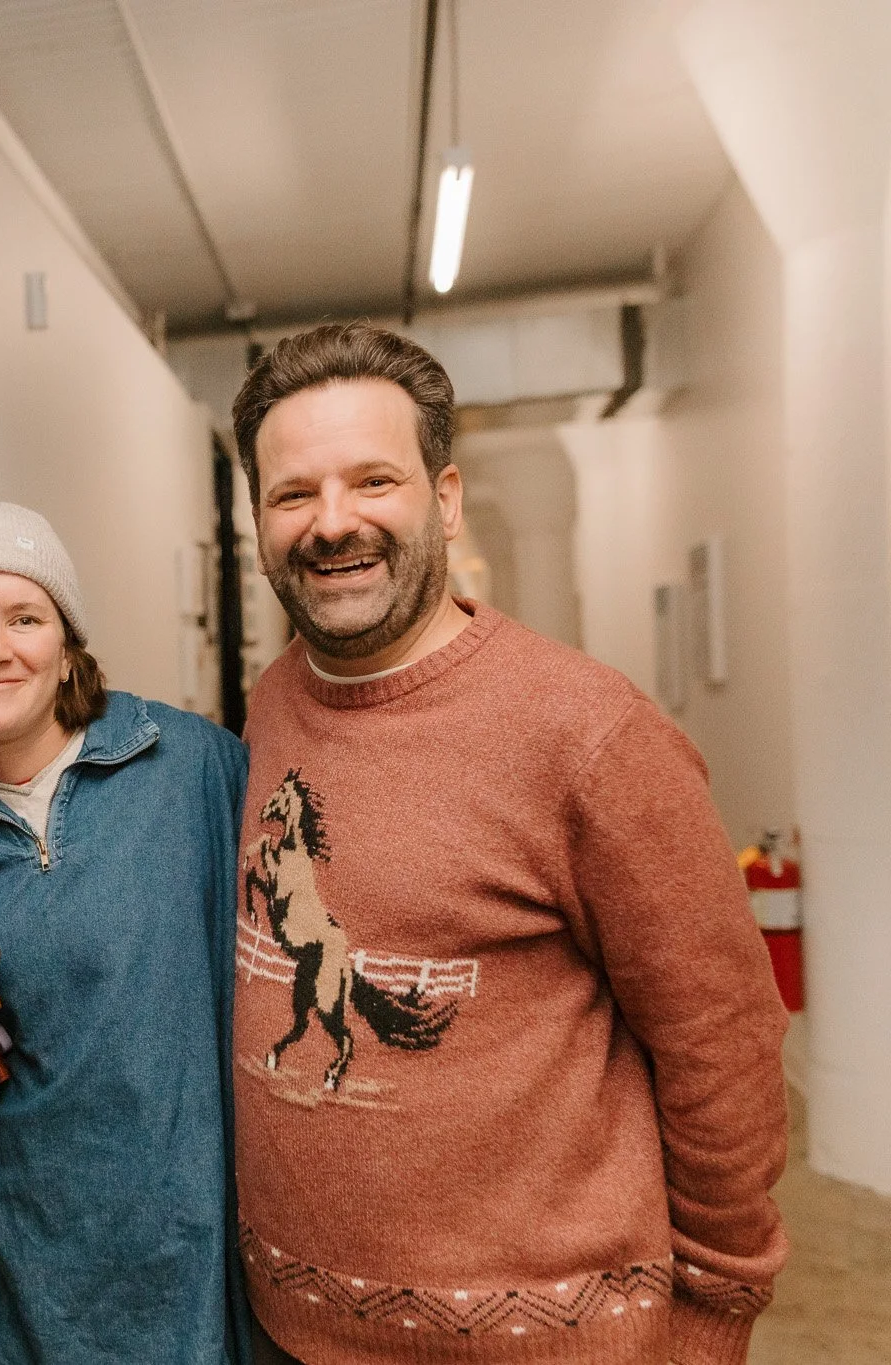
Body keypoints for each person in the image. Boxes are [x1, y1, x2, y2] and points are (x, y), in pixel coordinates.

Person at [226, 322, 788, 1365]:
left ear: (443, 499)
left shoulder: (589, 734)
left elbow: (721, 1038)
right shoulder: (272, 702)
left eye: (373, 481)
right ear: (257, 519)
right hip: (286, 1332)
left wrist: (714, 1308)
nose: (331, 523)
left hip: (540, 1344)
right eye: (293, 493)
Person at [0, 501, 251, 1365]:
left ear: (68, 645)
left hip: (186, 1263)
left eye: (25, 618)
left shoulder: (189, 766)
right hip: (9, 1277)